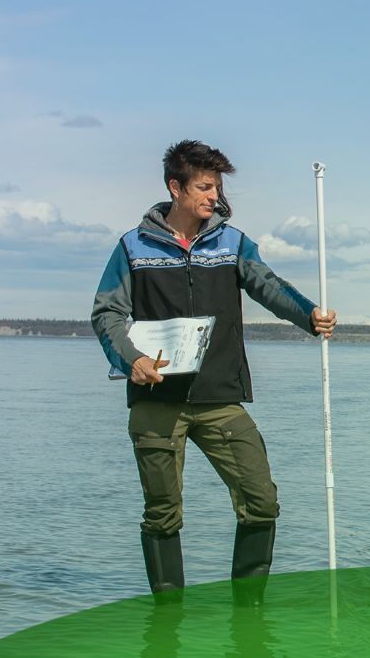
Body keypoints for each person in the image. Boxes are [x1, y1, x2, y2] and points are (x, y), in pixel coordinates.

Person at [92, 140, 337, 605]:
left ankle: (248, 611)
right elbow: (106, 315)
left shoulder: (232, 242)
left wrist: (309, 316)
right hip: (156, 402)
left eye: (217, 187)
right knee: (162, 516)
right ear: (175, 187)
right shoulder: (133, 247)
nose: (214, 197)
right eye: (204, 187)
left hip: (220, 398)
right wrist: (132, 360)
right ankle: (166, 624)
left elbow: (269, 287)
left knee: (261, 503)